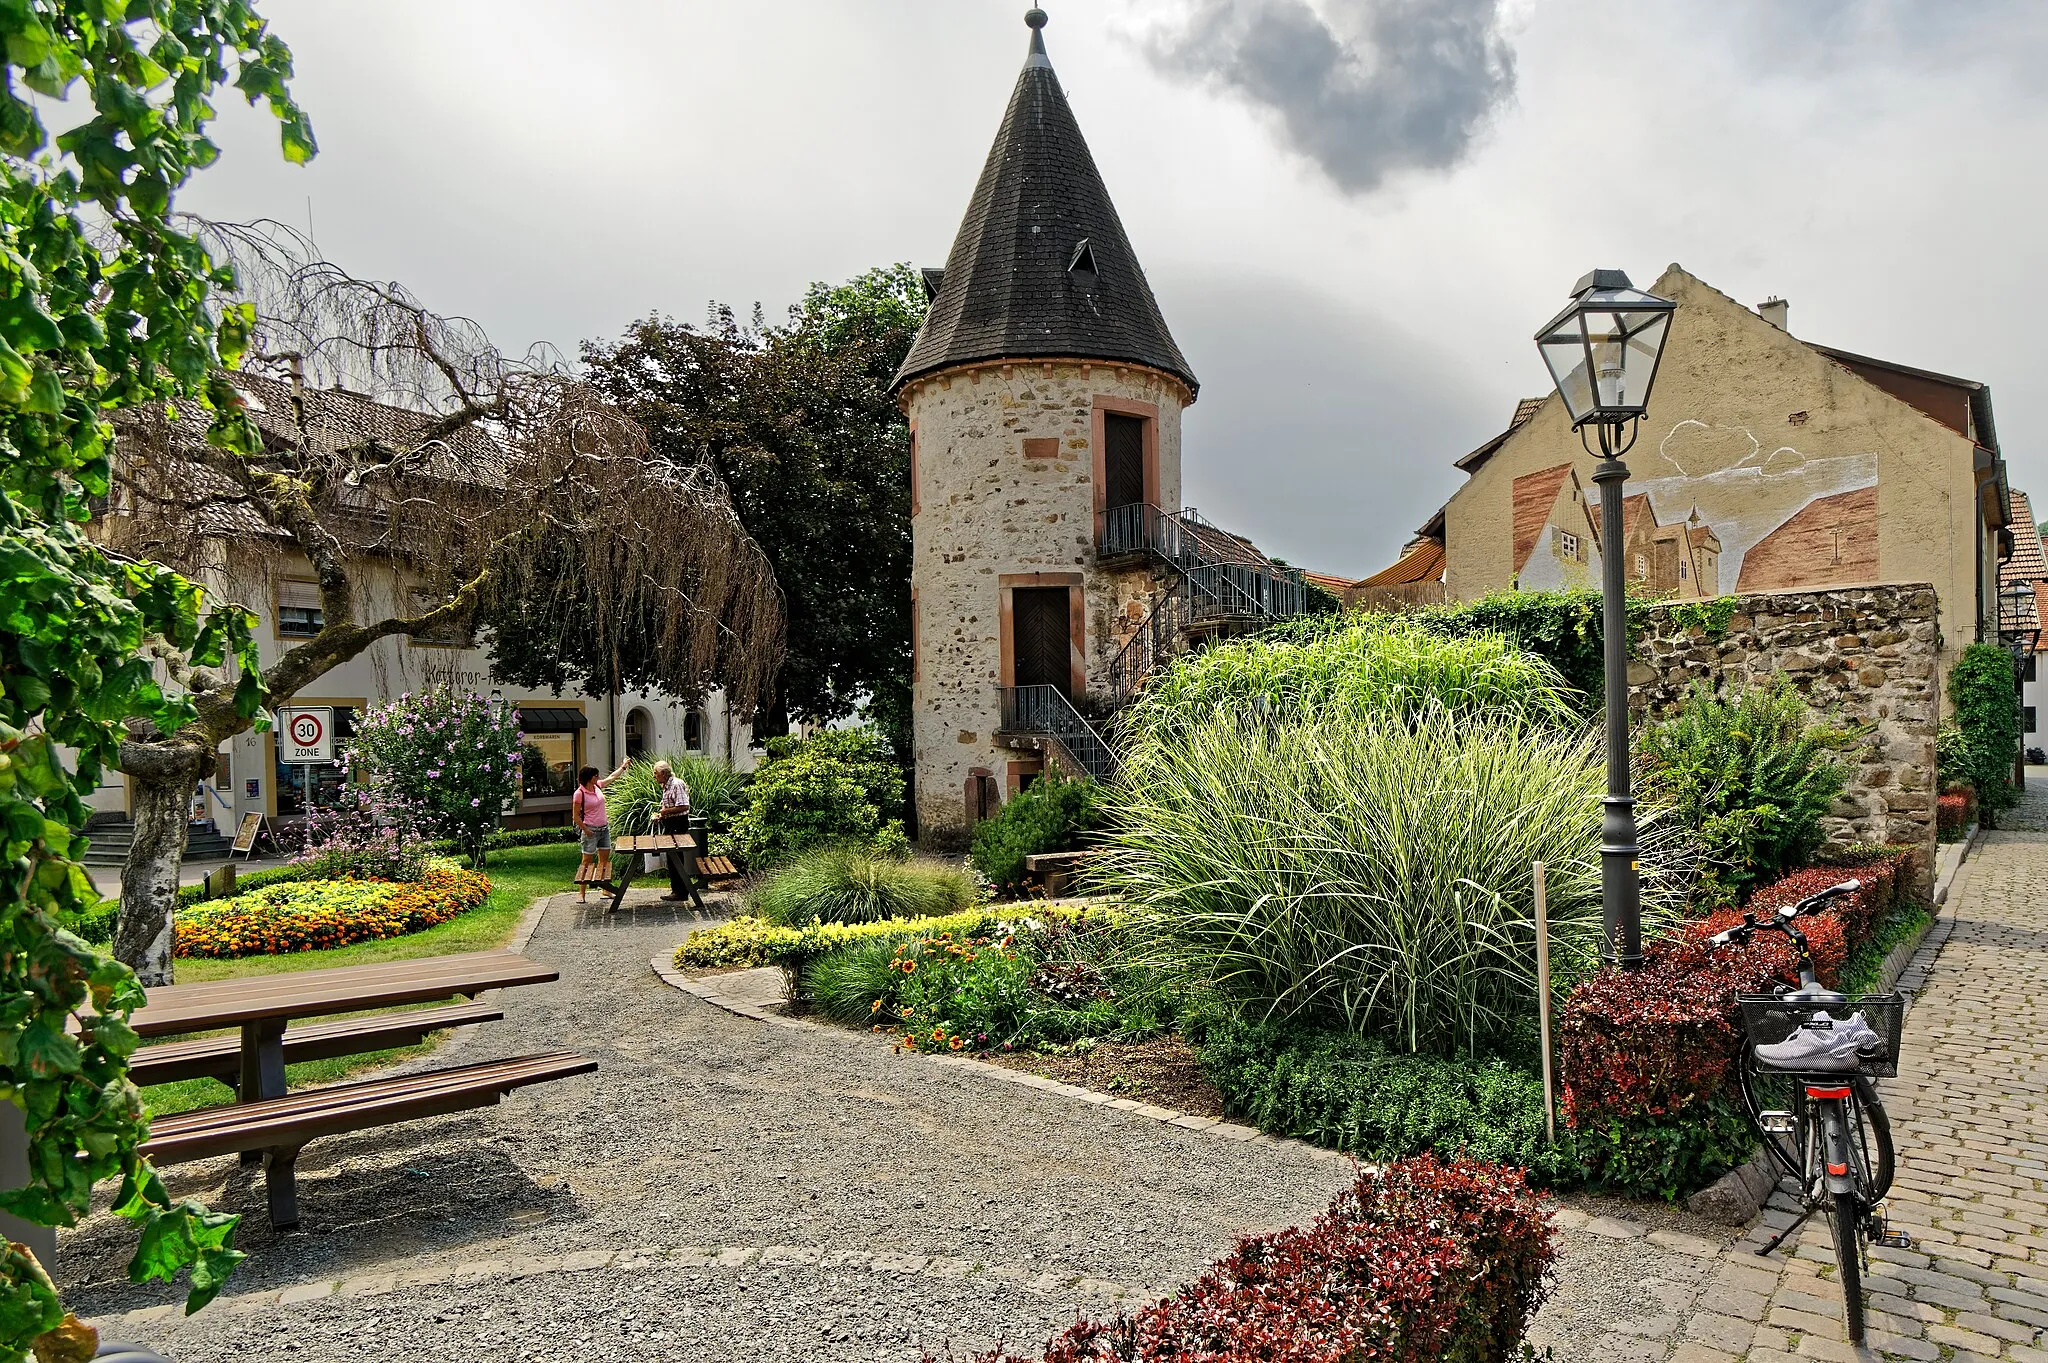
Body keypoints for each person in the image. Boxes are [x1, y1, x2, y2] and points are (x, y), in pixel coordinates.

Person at [572, 759, 629, 902]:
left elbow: (612, 777)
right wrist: (586, 830)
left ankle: (605, 890)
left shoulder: (597, 786)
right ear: (588, 777)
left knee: (604, 862)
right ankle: (581, 893)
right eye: (595, 775)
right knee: (587, 862)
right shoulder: (579, 794)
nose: (598, 777)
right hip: (590, 830)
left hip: (604, 829)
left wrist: (623, 767)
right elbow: (575, 816)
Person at [650, 759, 695, 903]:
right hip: (671, 823)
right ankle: (677, 890)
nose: (654, 776)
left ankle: (681, 892)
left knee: (675, 857)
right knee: (672, 857)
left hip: (678, 824)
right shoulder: (666, 785)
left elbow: (684, 806)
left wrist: (665, 812)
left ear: (663, 773)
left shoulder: (676, 784)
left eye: (656, 773)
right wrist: (662, 815)